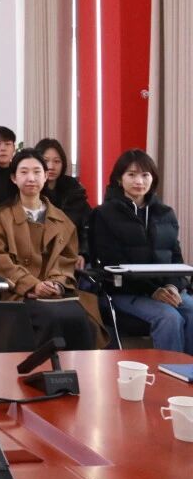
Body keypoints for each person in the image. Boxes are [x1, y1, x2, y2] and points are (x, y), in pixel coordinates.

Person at [0, 149, 103, 350]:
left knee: (81, 318)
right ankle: (42, 367)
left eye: (37, 172)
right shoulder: (1, 216)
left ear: (46, 176)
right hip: (17, 290)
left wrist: (57, 284)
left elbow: (66, 260)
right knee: (50, 317)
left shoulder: (61, 219)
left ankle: (78, 368)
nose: (31, 178)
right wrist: (31, 285)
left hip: (53, 292)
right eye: (24, 172)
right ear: (14, 178)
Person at [90, 149, 193, 354]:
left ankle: (188, 371)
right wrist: (153, 291)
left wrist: (173, 286)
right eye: (132, 174)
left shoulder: (165, 213)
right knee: (169, 318)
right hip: (124, 291)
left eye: (145, 175)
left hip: (165, 288)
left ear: (153, 178)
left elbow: (176, 258)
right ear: (119, 179)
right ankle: (168, 372)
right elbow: (111, 262)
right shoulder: (104, 214)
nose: (139, 181)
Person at [37, 137, 90, 261]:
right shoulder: (30, 191)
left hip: (72, 257)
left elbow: (86, 228)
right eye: (45, 160)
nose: (51, 166)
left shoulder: (74, 191)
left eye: (57, 161)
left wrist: (82, 254)